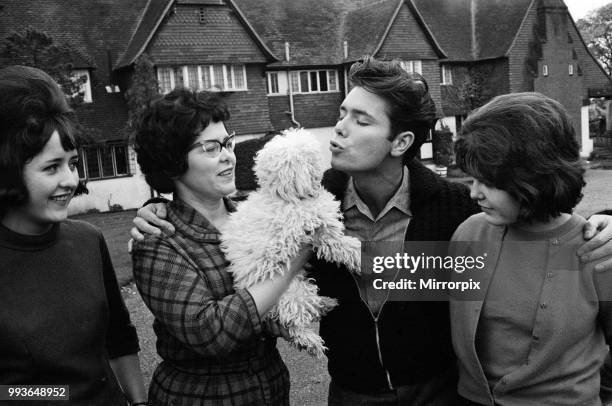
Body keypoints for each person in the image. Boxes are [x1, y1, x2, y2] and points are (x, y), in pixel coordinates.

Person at [130, 57, 612, 405]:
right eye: (341, 113)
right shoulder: (306, 208)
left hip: (440, 394)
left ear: (401, 141)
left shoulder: (460, 212)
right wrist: (156, 206)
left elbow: (535, 215)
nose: (338, 129)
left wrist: (605, 221)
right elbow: (235, 229)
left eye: (360, 120)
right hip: (350, 393)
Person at [130, 88, 310, 406]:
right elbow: (209, 332)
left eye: (228, 143)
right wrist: (291, 263)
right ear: (173, 163)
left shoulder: (253, 214)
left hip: (270, 389)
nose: (229, 154)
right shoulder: (159, 241)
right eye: (212, 148)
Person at [450, 92, 612, 406]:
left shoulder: (595, 250)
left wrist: (598, 394)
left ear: (535, 174)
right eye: (472, 179)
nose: (474, 193)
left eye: (489, 182)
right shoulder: (469, 235)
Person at [0, 65, 147, 405]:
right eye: (52, 168)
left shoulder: (88, 240)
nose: (71, 180)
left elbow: (119, 339)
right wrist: (65, 393)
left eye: (72, 163)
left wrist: (139, 403)